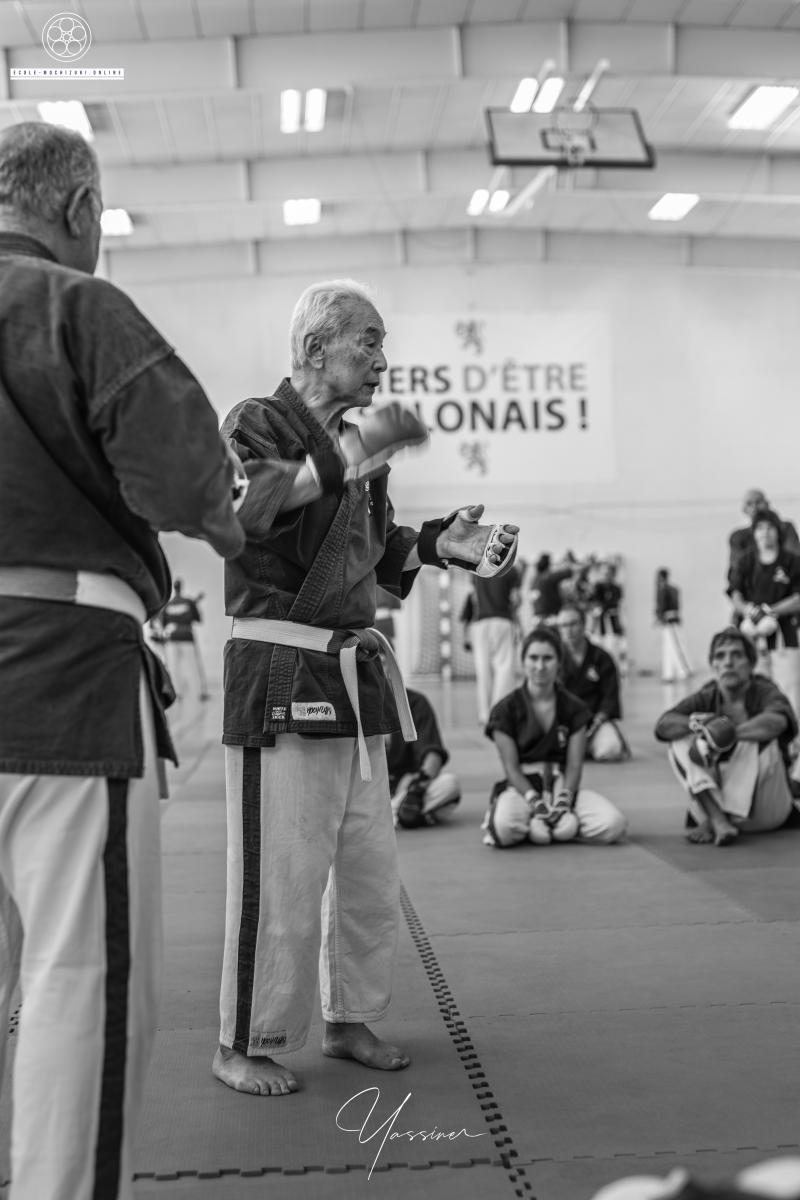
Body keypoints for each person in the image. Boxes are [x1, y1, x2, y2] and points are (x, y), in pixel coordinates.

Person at [0, 122, 245, 1200]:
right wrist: (229, 517)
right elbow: (194, 490)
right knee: (75, 973)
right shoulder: (76, 306)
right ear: (82, 210)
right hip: (57, 677)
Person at [214, 277, 519, 1098]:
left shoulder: (359, 448)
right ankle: (243, 1041)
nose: (384, 361)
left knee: (367, 869)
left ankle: (347, 1019)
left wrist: (441, 545)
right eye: (371, 343)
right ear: (316, 349)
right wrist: (357, 452)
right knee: (280, 873)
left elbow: (379, 561)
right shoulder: (256, 422)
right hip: (279, 670)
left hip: (354, 678)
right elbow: (245, 512)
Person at [481, 627, 627, 848]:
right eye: (533, 658)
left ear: (559, 663)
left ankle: (556, 824)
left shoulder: (575, 708)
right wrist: (534, 801)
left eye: (548, 658)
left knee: (614, 824)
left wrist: (564, 801)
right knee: (503, 829)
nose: (540, 666)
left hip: (562, 785)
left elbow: (574, 766)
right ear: (523, 662)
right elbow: (511, 769)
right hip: (522, 788)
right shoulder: (505, 710)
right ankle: (535, 820)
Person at [654, 628, 796, 847]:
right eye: (720, 656)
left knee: (756, 735)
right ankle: (717, 818)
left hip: (764, 809)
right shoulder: (708, 694)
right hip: (713, 808)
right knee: (679, 740)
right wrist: (699, 724)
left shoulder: (765, 690)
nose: (728, 662)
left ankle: (717, 819)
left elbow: (778, 721)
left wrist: (726, 734)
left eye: (737, 655)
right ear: (713, 664)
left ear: (751, 663)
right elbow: (663, 725)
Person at [556, 605, 630, 761]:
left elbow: (610, 696)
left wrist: (597, 722)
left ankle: (586, 747)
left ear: (584, 625)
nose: (568, 630)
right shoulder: (554, 659)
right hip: (562, 724)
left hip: (595, 723)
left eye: (573, 624)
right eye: (563, 625)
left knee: (611, 749)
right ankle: (576, 748)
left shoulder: (601, 658)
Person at [386, 685, 461, 829]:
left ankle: (393, 814)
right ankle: (398, 816)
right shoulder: (352, 702)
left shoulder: (414, 702)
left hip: (402, 791)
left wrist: (417, 786)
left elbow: (432, 753)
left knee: (449, 784)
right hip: (365, 791)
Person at [459, 565, 522, 725]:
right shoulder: (512, 570)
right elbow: (516, 599)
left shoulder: (478, 568)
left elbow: (473, 598)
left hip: (481, 623)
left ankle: (484, 714)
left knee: (483, 670)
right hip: (503, 621)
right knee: (504, 668)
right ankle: (499, 712)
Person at [727, 488, 800, 588]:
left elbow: (794, 559)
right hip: (753, 588)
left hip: (784, 584)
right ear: (744, 509)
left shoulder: (785, 528)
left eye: (758, 502)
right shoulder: (738, 537)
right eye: (749, 503)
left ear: (767, 504)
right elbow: (737, 570)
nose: (754, 506)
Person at [161, 578, 210, 700]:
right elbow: (198, 619)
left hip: (172, 639)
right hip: (187, 637)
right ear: (181, 587)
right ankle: (200, 692)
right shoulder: (189, 602)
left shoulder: (168, 605)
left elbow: (163, 623)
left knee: (173, 667)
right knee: (193, 666)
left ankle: (176, 693)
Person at [655, 567, 692, 683]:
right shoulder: (672, 589)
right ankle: (668, 674)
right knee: (668, 648)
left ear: (661, 577)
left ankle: (684, 671)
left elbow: (662, 607)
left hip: (671, 622)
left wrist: (660, 617)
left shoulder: (666, 590)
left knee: (676, 646)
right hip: (670, 621)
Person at [528, 552, 574, 624]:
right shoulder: (549, 577)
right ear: (548, 565)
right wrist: (566, 562)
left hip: (537, 617)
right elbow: (569, 572)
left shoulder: (535, 580)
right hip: (550, 616)